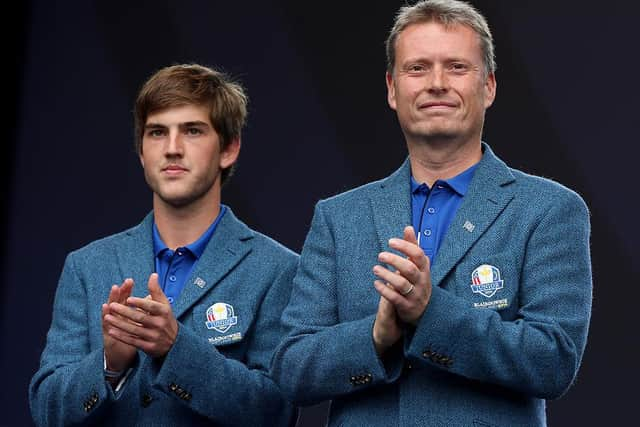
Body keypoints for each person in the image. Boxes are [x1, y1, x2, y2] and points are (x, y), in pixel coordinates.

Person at [271, 1, 592, 426]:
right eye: (417, 68)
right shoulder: (338, 218)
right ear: (391, 88)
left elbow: (553, 360)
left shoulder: (550, 210)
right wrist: (375, 336)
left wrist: (431, 312)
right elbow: (291, 369)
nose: (436, 83)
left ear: (489, 86)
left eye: (457, 67)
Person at [29, 64, 297, 426]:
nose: (172, 149)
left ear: (229, 149)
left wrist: (177, 349)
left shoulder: (278, 269)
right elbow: (46, 411)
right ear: (141, 152)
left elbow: (278, 411)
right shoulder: (87, 266)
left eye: (192, 131)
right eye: (157, 132)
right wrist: (109, 364)